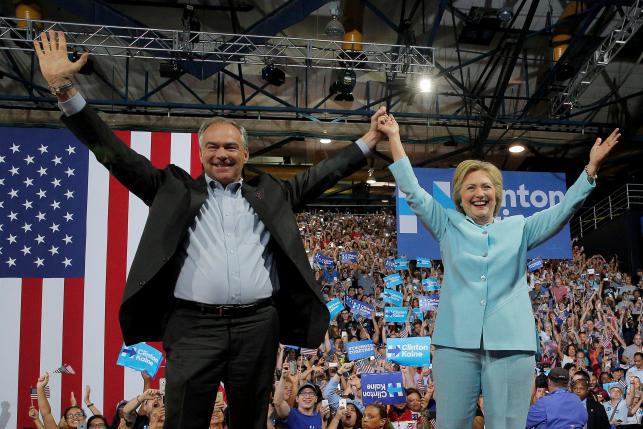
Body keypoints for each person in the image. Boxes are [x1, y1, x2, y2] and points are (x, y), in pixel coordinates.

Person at [33, 30, 387, 429]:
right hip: (192, 328)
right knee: (184, 420)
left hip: (258, 327)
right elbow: (114, 155)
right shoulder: (172, 190)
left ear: (246, 153)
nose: (222, 153)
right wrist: (64, 89)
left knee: (250, 422)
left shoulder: (269, 194)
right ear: (200, 153)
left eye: (231, 147)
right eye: (213, 147)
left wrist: (370, 139)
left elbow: (322, 174)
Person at [377, 113, 620, 429]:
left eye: (486, 186)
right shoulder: (447, 223)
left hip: (511, 344)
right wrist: (394, 137)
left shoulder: (518, 228)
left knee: (506, 424)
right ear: (460, 198)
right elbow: (411, 189)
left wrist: (590, 170)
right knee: (450, 423)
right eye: (470, 187)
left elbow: (562, 212)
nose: (479, 193)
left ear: (497, 194)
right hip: (455, 344)